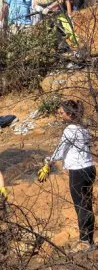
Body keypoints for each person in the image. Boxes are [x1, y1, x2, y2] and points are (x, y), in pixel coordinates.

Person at [38, 100, 95, 249]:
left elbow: (60, 150)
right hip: (90, 168)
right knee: (87, 204)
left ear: (69, 114)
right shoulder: (84, 128)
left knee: (81, 206)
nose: (60, 115)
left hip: (78, 170)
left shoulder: (70, 129)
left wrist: (48, 162)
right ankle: (90, 240)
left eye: (62, 113)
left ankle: (84, 242)